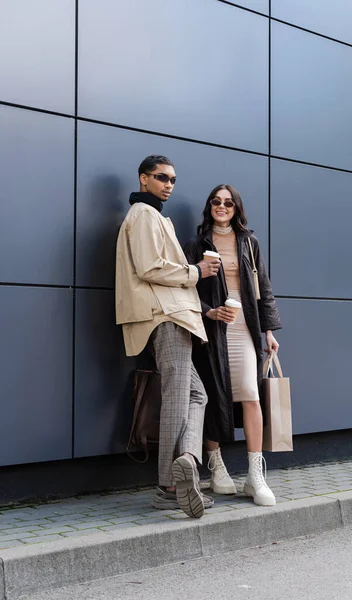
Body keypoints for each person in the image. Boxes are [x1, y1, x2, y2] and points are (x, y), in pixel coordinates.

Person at [115, 155, 221, 518]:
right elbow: (149, 267)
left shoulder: (153, 216)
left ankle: (187, 462)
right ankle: (169, 485)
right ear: (144, 179)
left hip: (171, 313)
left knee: (195, 393)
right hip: (166, 314)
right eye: (161, 177)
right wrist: (197, 271)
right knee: (180, 394)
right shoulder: (143, 216)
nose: (169, 184)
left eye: (173, 178)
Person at [184, 184, 282, 506]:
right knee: (214, 395)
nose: (221, 206)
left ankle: (255, 475)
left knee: (251, 395)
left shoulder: (249, 243)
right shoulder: (196, 245)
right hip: (212, 326)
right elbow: (184, 291)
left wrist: (268, 330)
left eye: (228, 202)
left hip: (244, 323)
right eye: (216, 201)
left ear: (236, 208)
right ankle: (217, 467)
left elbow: (263, 288)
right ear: (209, 206)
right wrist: (208, 311)